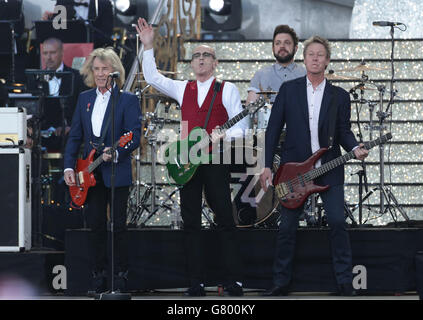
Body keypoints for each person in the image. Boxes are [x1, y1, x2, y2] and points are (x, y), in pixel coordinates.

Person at [136, 17, 249, 296]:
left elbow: (241, 127)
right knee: (191, 223)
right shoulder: (182, 88)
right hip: (188, 163)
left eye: (206, 56)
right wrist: (148, 45)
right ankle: (195, 282)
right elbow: (152, 78)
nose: (200, 59)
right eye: (196, 56)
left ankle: (233, 280)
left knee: (225, 219)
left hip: (216, 161)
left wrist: (225, 137)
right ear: (191, 63)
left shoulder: (227, 89)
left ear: (215, 63)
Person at [259, 36, 369, 296]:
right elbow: (273, 129)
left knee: (337, 222)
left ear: (327, 60)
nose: (316, 58)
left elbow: (343, 131)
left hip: (328, 168)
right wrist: (266, 166)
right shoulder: (289, 89)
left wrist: (354, 148)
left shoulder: (339, 96)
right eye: (311, 54)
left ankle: (344, 282)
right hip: (292, 171)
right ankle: (280, 282)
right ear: (304, 59)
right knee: (286, 227)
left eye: (321, 54)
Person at [63, 47, 141, 294]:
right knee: (95, 225)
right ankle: (98, 275)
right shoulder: (85, 98)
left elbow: (134, 135)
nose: (99, 73)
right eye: (96, 69)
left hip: (116, 171)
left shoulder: (127, 100)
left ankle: (120, 276)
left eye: (104, 69)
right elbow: (75, 135)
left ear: (114, 71)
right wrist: (68, 165)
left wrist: (117, 152)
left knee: (117, 226)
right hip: (88, 173)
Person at [38, 37, 87, 152]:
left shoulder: (77, 77)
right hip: (42, 135)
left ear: (61, 53)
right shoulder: (37, 78)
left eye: (52, 53)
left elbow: (84, 108)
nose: (48, 57)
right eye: (45, 53)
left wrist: (72, 127)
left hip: (69, 134)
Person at [246, 24, 306, 105]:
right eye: (278, 43)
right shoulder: (260, 75)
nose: (282, 46)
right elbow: (250, 109)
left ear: (295, 48)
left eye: (287, 43)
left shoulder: (306, 75)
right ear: (273, 49)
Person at [42, 0, 114, 48]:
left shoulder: (103, 4)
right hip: (67, 53)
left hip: (95, 55)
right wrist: (49, 21)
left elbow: (106, 35)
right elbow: (57, 32)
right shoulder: (62, 2)